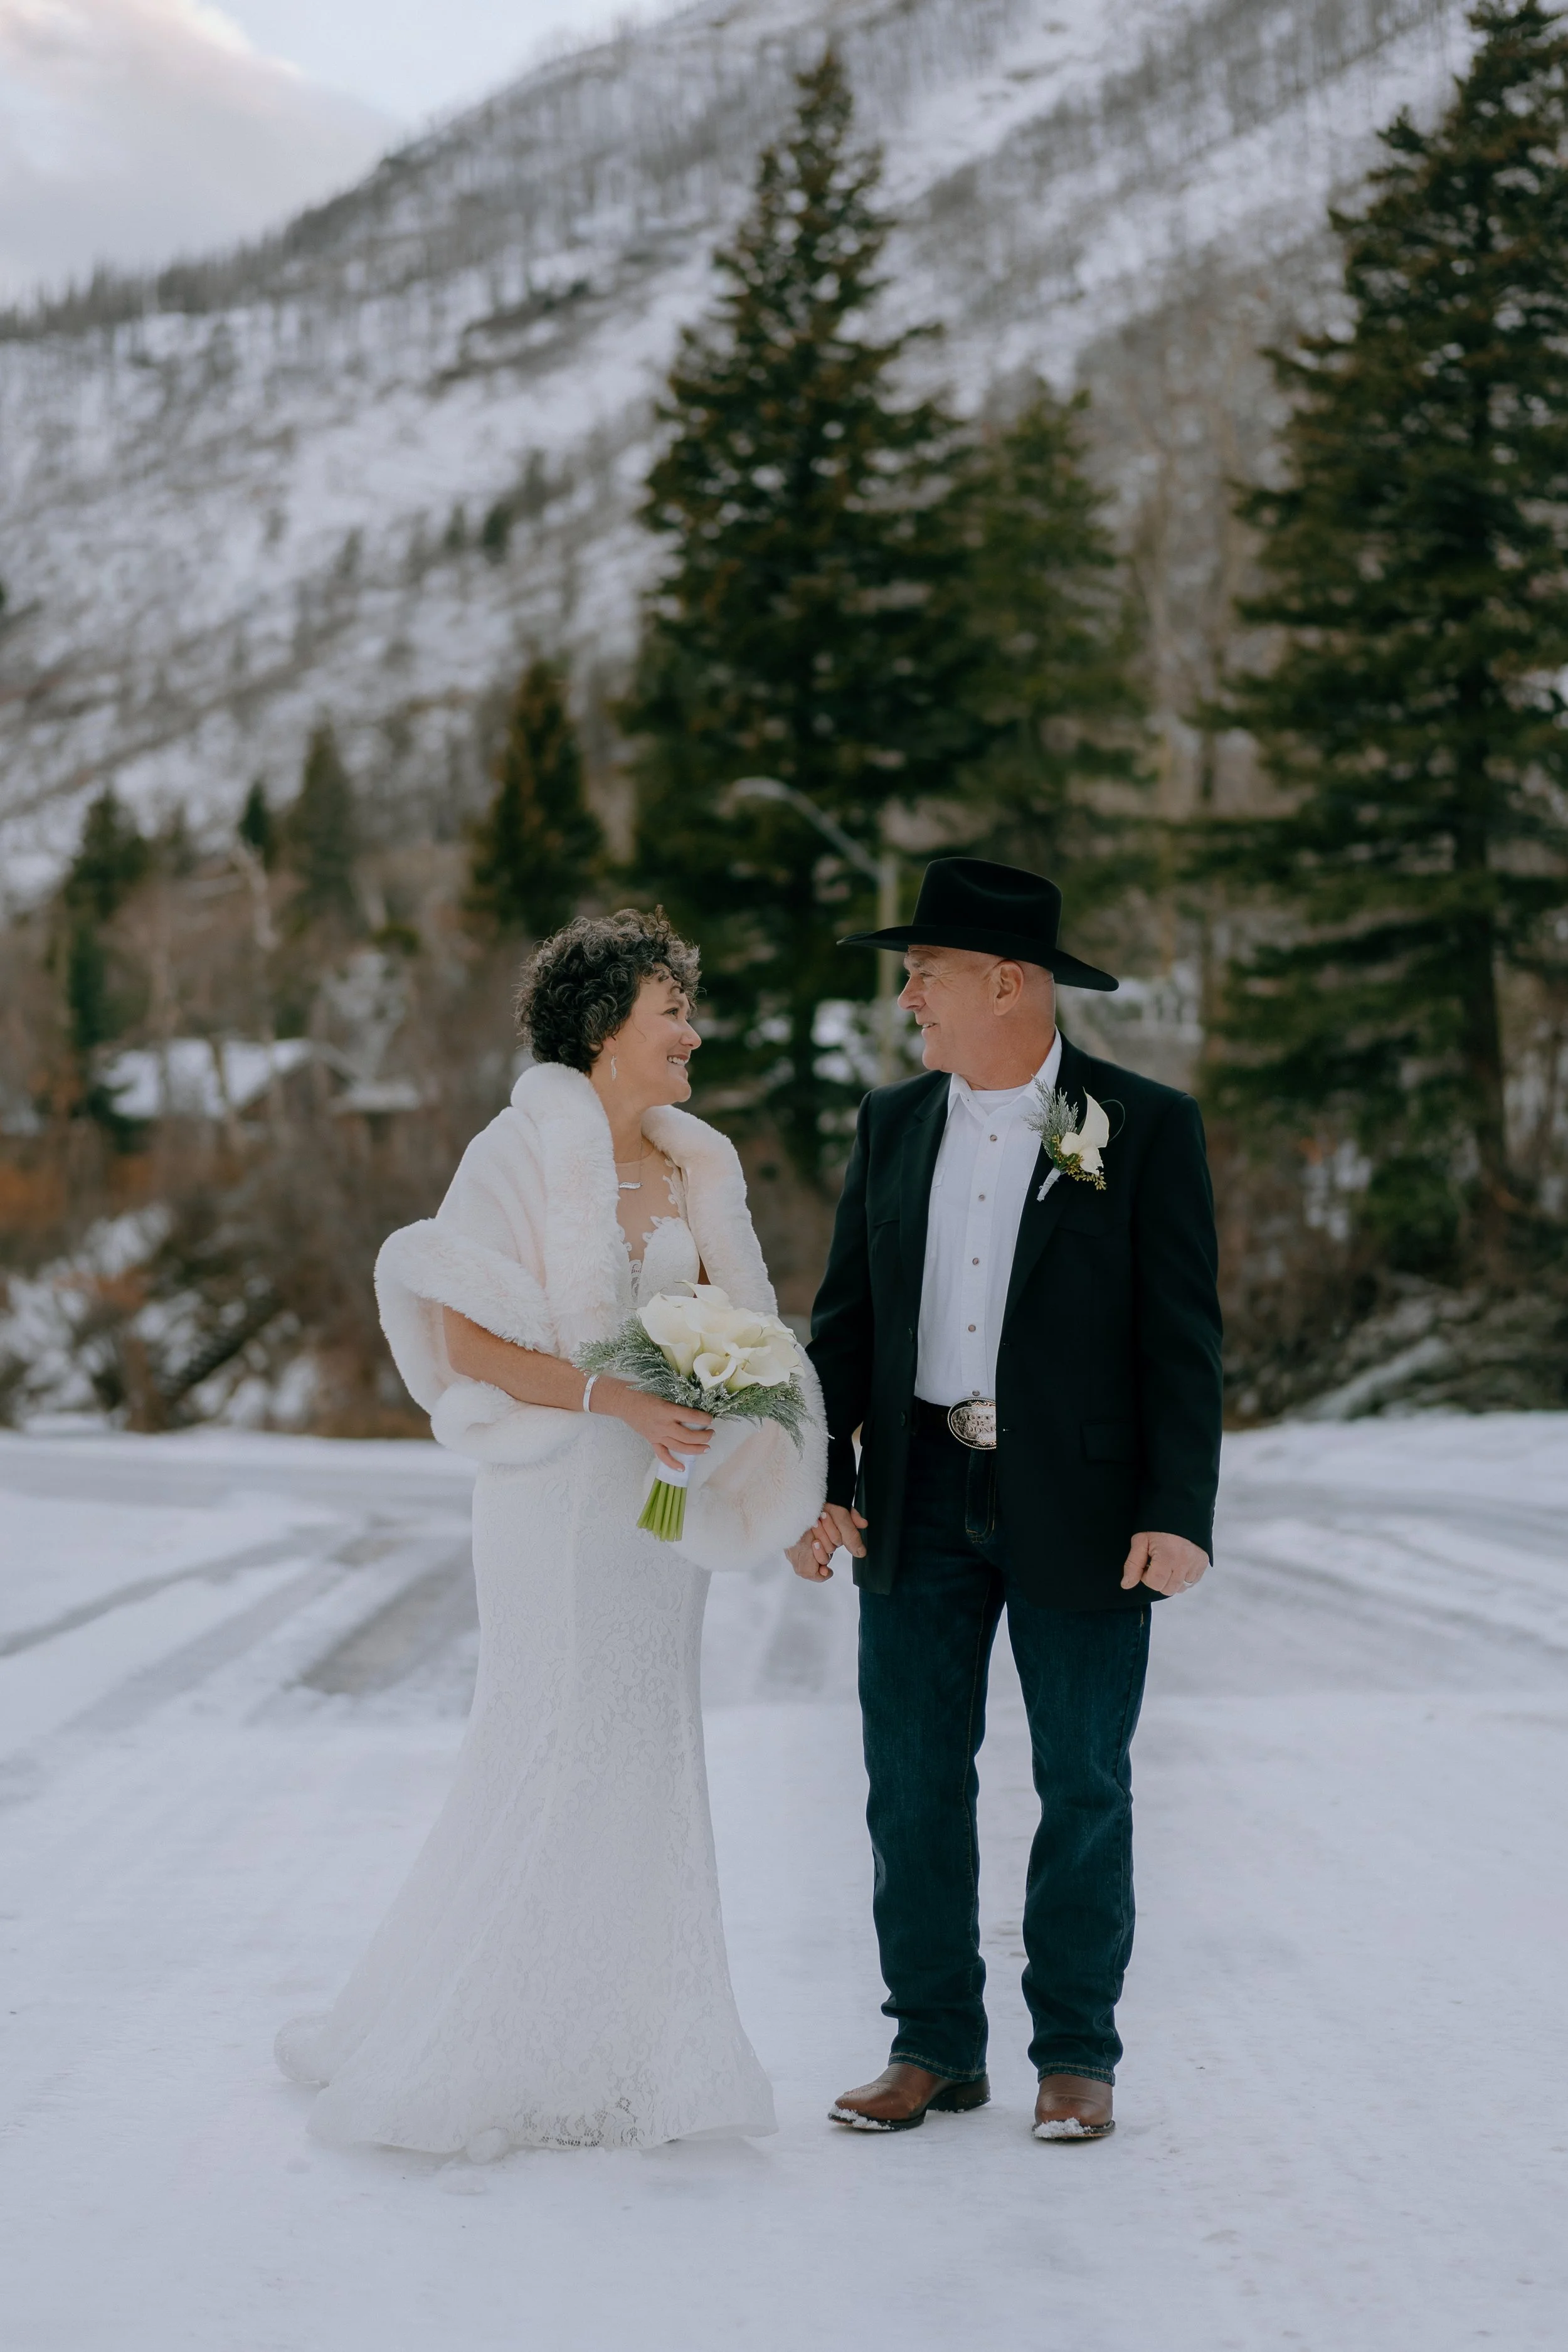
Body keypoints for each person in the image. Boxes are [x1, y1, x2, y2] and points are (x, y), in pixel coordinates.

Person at [278, 908, 825, 2159]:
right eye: (669, 1010)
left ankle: (636, 2049)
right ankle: (483, 2041)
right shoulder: (514, 1154)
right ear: (603, 1029)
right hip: (553, 1495)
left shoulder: (700, 1167)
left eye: (688, 1007)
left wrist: (750, 1426)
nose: (692, 1030)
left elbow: (741, 1333)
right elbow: (465, 1338)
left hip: (659, 1507)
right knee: (555, 1735)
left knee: (645, 1745)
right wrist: (612, 1394)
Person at [789, 857, 1222, 2142]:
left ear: (1006, 982)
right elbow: (841, 1327)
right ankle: (931, 2043)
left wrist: (1178, 1509)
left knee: (1082, 1778)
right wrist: (821, 1482)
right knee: (909, 1778)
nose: (906, 994)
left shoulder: (1140, 1127)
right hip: (915, 1491)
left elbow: (1181, 1341)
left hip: (1082, 1503)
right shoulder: (889, 1124)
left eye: (922, 970)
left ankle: (1076, 2054)